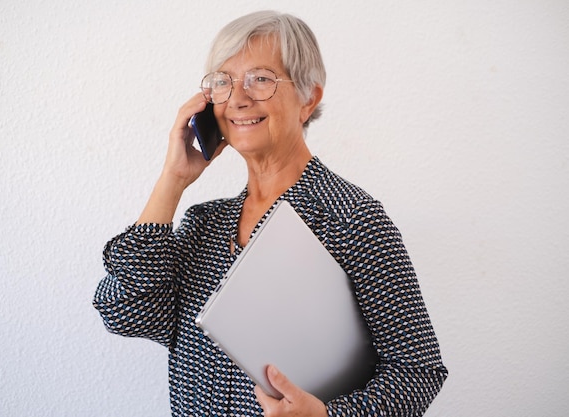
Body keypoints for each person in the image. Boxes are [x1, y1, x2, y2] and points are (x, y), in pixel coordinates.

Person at [93, 10, 448, 417]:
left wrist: (327, 416)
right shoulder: (205, 223)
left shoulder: (350, 217)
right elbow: (126, 314)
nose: (238, 98)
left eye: (260, 78)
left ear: (308, 98)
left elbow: (418, 371)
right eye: (223, 82)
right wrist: (172, 180)